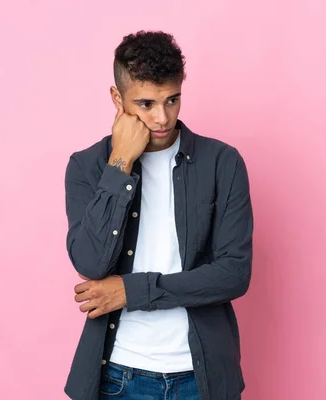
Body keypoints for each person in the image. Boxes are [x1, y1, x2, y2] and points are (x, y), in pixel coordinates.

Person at [63, 30, 254, 400]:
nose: (162, 118)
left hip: (203, 377)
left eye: (172, 100)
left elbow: (234, 274)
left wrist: (132, 291)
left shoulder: (222, 163)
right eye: (146, 104)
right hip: (119, 376)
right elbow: (90, 261)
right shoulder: (88, 166)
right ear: (117, 99)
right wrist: (120, 163)